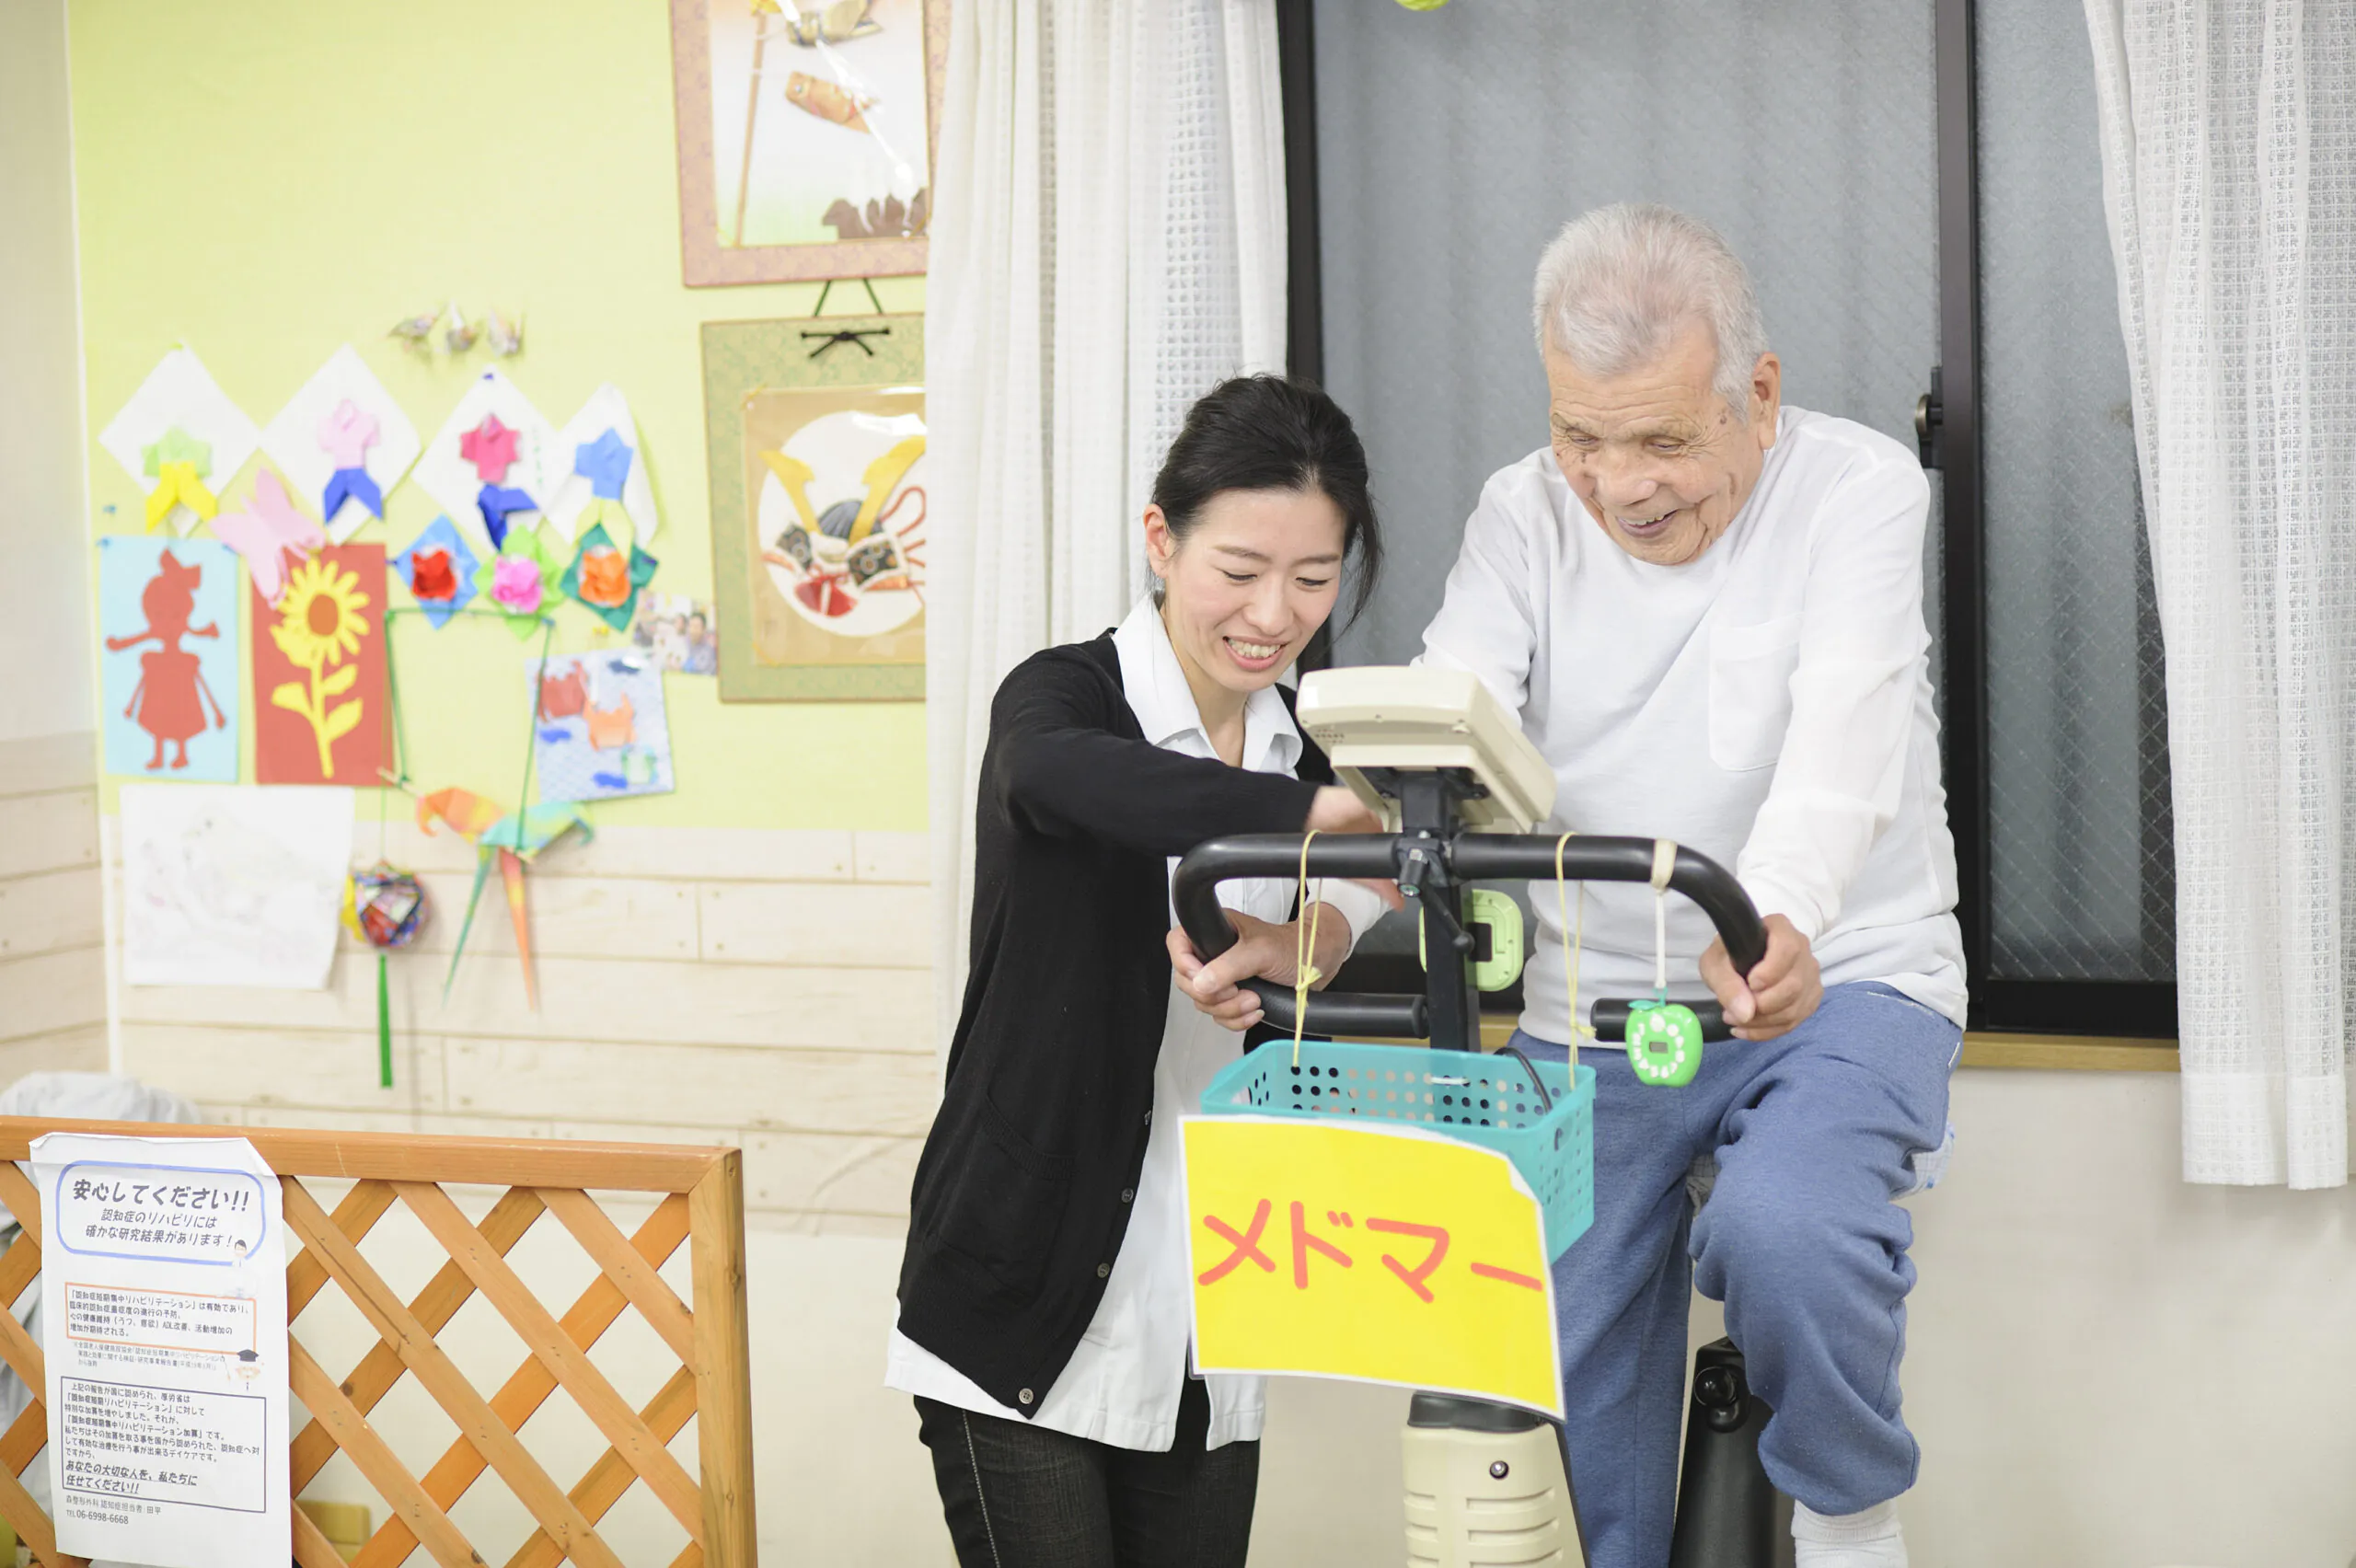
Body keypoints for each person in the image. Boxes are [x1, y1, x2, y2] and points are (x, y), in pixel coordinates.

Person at [1184, 205, 1964, 1568]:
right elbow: (1440, 741)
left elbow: (1848, 731)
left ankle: (1851, 1522)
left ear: (1757, 396)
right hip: (1598, 1006)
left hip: (1836, 974)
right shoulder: (1522, 515)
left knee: (1791, 1228)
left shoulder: (1858, 489)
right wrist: (1324, 920)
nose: (1620, 484)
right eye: (1582, 436)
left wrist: (1777, 908)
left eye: (1663, 439)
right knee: (1546, 1342)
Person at [889, 375, 1399, 1568]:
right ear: (1162, 540)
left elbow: (1396, 887)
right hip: (1023, 1301)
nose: (1274, 613)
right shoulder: (1064, 698)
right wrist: (1313, 813)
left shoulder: (1308, 739)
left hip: (1210, 1313)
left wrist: (1318, 926)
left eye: (1314, 578)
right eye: (1240, 568)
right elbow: (1060, 778)